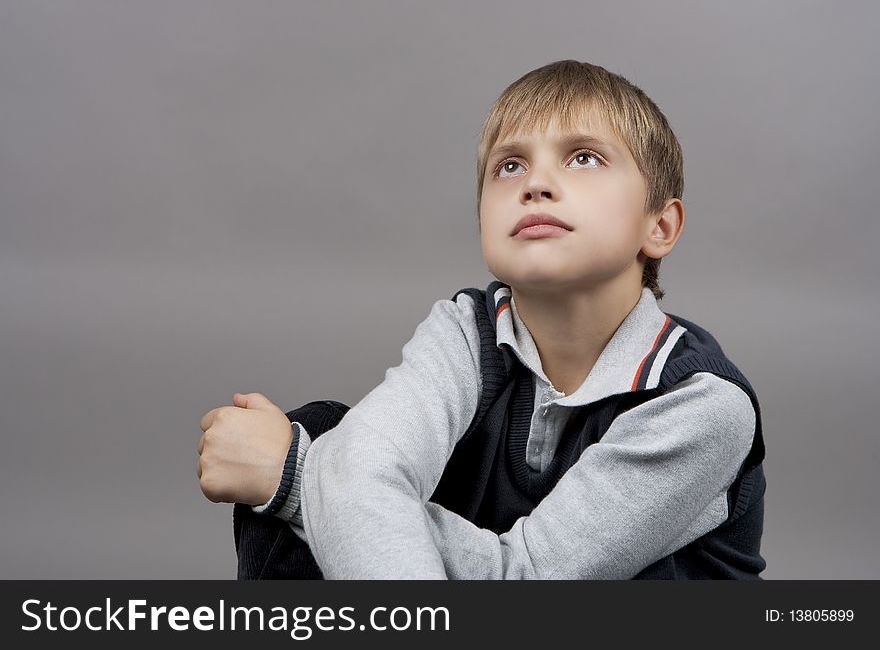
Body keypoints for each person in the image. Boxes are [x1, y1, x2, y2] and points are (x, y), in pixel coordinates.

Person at [198, 59, 766, 579]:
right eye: (509, 166)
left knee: (314, 466)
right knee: (330, 435)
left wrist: (295, 477)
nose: (535, 185)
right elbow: (362, 465)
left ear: (660, 227)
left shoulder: (700, 405)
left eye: (585, 158)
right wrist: (330, 474)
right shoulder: (469, 330)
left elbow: (525, 577)